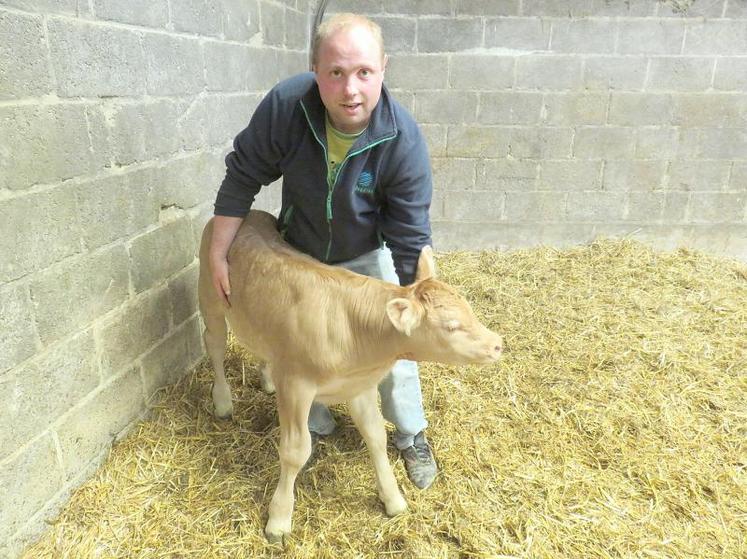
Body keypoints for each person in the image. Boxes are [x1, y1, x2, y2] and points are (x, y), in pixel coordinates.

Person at [209, 13, 437, 489]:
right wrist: (217, 252)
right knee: (302, 341)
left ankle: (410, 432)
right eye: (335, 72)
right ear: (315, 70)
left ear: (383, 69)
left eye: (363, 73)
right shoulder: (287, 106)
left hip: (363, 256)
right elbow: (243, 175)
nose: (350, 89)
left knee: (389, 344)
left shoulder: (403, 140)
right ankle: (317, 419)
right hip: (301, 250)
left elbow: (410, 235)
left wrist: (418, 303)